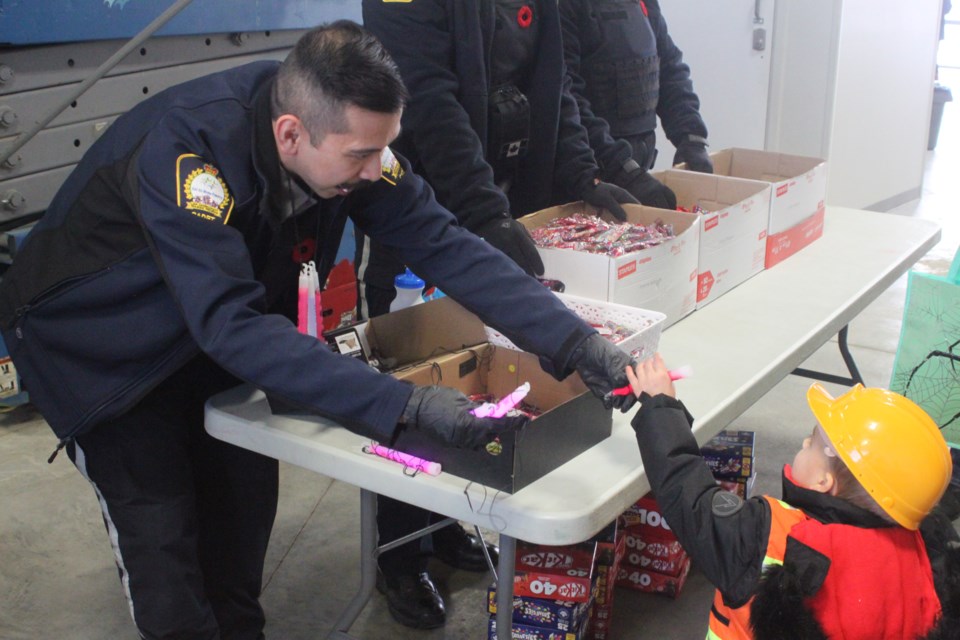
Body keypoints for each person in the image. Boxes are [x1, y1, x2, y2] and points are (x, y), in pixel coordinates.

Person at [0, 22, 636, 640]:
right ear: (289, 134)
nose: (375, 168)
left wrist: (574, 342)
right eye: (361, 154)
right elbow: (232, 324)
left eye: (383, 148)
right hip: (106, 357)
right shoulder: (189, 157)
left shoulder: (349, 142)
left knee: (240, 524)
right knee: (166, 549)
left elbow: (444, 242)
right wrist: (408, 405)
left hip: (207, 340)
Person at [355, 0, 662, 629]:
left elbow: (555, 88)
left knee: (481, 380)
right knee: (416, 379)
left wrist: (582, 174)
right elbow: (429, 101)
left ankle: (442, 527)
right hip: (423, 212)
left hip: (503, 210)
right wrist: (481, 210)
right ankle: (399, 550)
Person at [624, 354, 960, 639]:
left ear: (823, 481)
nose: (802, 444)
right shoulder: (924, 556)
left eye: (812, 442)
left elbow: (689, 494)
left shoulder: (770, 539)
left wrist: (660, 406)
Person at [560, 0, 714, 183]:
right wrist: (618, 166)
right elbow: (566, 97)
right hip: (591, 174)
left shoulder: (644, 3)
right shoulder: (564, 6)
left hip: (636, 168)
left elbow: (668, 68)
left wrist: (691, 137)